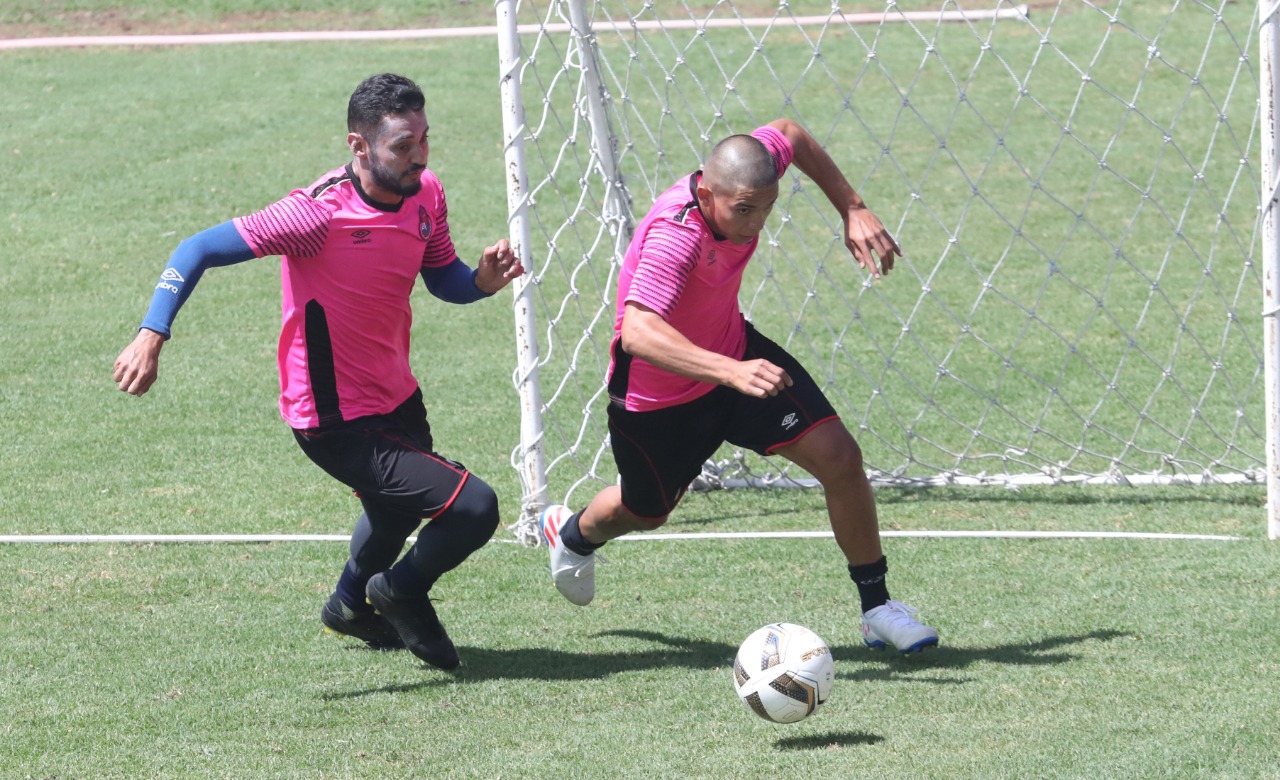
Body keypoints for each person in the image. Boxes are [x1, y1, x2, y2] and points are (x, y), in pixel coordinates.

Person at [113, 73, 524, 670]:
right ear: (359, 147)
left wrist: (482, 282)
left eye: (424, 141)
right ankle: (400, 591)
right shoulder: (314, 216)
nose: (418, 157)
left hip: (396, 394)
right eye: (402, 146)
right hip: (332, 418)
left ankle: (349, 607)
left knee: (395, 513)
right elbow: (194, 250)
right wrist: (152, 332)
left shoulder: (426, 193)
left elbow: (443, 279)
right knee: (472, 507)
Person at [539, 119, 938, 653]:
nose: (755, 223)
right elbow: (636, 333)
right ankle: (573, 534)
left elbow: (791, 134)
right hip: (661, 399)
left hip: (735, 355)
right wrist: (730, 372)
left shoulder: (749, 172)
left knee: (841, 458)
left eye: (767, 208)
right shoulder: (675, 237)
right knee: (645, 512)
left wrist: (852, 206)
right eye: (743, 209)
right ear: (705, 192)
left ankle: (878, 609)